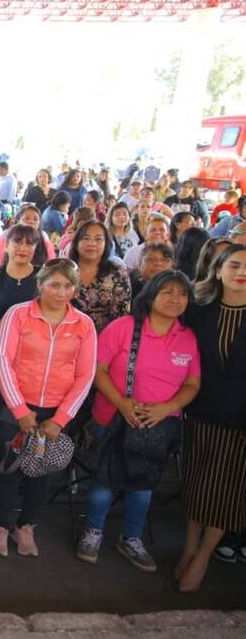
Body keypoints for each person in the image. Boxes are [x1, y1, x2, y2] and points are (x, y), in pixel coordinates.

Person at [77, 271, 199, 572]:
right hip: (113, 417)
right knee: (104, 480)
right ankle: (93, 531)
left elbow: (192, 384)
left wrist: (165, 408)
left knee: (143, 487)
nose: (175, 299)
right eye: (167, 292)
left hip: (157, 424)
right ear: (151, 295)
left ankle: (131, 537)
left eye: (182, 293)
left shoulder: (187, 337)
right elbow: (98, 370)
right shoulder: (124, 327)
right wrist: (121, 403)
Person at [0, 259, 96, 557]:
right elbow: (2, 361)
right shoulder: (18, 314)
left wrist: (61, 419)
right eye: (54, 284)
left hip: (55, 413)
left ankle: (26, 526)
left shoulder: (83, 324)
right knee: (7, 470)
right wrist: (20, 410)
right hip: (16, 407)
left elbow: (85, 375)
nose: (61, 292)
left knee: (43, 473)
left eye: (68, 285)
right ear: (40, 285)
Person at [177, 245, 246, 592]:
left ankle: (204, 555)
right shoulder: (200, 311)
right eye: (233, 265)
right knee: (197, 478)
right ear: (218, 271)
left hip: (240, 418)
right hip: (200, 408)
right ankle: (189, 546)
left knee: (226, 488)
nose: (240, 272)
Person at [69, 220, 132, 332]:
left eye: (98, 239)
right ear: (76, 242)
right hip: (67, 335)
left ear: (106, 244)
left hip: (106, 337)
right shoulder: (65, 269)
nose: (92, 243)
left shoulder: (117, 271)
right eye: (86, 238)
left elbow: (122, 312)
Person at [0, 225, 40, 325]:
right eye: (18, 242)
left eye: (29, 244)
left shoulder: (44, 276)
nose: (23, 248)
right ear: (6, 246)